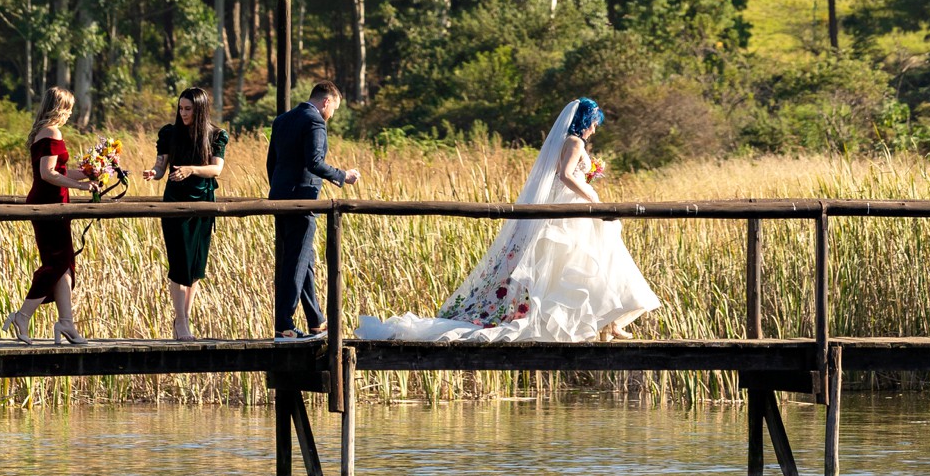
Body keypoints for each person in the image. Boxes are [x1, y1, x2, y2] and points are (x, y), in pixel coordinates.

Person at [358, 98, 659, 343]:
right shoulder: (575, 143)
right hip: (572, 211)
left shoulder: (571, 142)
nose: (595, 129)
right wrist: (592, 197)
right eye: (595, 122)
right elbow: (565, 175)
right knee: (583, 264)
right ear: (587, 119)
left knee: (585, 264)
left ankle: (607, 323)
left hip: (572, 209)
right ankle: (606, 323)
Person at [265, 81, 360, 340]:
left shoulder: (282, 120)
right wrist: (343, 175)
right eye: (334, 110)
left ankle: (316, 321)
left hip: (280, 198)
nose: (331, 116)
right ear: (326, 102)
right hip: (303, 201)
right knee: (296, 262)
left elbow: (271, 163)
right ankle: (283, 324)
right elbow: (315, 162)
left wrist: (279, 191)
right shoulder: (315, 121)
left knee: (303, 259)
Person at [2, 85, 86, 344]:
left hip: (55, 202)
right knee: (57, 263)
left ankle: (66, 324)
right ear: (59, 108)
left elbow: (59, 169)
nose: (71, 114)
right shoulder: (51, 131)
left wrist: (88, 173)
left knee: (64, 265)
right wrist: (80, 186)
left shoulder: (43, 131)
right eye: (69, 108)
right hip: (48, 203)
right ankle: (23, 315)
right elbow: (48, 173)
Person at [141, 84, 227, 338]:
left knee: (196, 266)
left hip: (203, 202)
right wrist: (153, 173)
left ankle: (184, 320)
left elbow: (216, 169)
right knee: (179, 263)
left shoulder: (215, 135)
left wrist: (191, 169)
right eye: (180, 108)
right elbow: (160, 168)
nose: (183, 113)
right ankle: (181, 322)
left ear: (200, 110)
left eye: (188, 109)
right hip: (175, 203)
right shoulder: (169, 133)